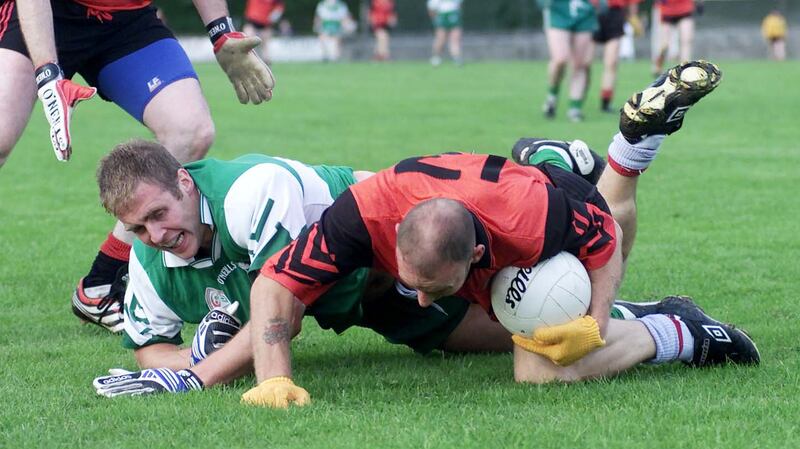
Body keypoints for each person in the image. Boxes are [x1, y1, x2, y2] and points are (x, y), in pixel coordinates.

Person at [241, 60, 759, 408]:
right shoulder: (360, 214)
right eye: (412, 282)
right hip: (497, 190)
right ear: (395, 234)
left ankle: (685, 329)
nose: (419, 300)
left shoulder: (529, 223)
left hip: (542, 198)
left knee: (541, 369)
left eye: (434, 288)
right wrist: (274, 379)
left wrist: (595, 323)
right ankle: (556, 157)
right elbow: (275, 282)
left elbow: (604, 243)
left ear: (476, 257)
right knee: (516, 341)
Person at [90, 140, 515, 397]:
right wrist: (190, 356)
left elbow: (281, 314)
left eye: (159, 213)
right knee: (510, 335)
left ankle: (559, 179)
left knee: (520, 319)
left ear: (184, 182)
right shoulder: (147, 261)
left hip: (390, 252)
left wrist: (197, 375)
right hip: (351, 300)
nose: (156, 234)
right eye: (138, 227)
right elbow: (150, 350)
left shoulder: (251, 191)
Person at [0, 0, 275, 334]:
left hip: (126, 20)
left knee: (189, 131)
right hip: (45, 16)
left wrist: (221, 32)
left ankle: (102, 284)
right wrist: (47, 72)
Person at [539, 0, 599, 122]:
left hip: (584, 12)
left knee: (579, 64)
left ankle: (574, 109)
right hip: (559, 10)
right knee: (560, 59)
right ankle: (552, 96)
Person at [592, 0, 641, 112]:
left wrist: (633, 17)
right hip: (590, 12)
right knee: (583, 63)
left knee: (611, 62)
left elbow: (632, 4)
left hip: (615, 12)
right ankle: (576, 102)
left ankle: (606, 100)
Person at [652, 0, 701, 76]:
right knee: (665, 44)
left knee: (686, 40)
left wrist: (699, 3)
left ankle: (684, 69)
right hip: (667, 9)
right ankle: (658, 65)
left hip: (685, 8)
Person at [427, 0, 463, 66]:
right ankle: (436, 57)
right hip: (443, 15)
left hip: (452, 15)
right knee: (441, 39)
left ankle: (456, 58)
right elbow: (431, 9)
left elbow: (459, 6)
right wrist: (435, 19)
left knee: (455, 39)